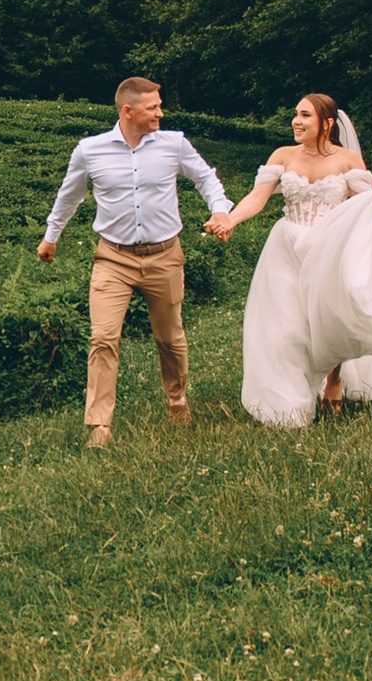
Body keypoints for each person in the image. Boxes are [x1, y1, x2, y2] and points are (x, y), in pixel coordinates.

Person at [205, 92, 372, 428]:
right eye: (296, 114)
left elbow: (363, 210)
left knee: (332, 318)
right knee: (287, 327)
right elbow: (257, 198)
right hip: (287, 247)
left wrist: (368, 218)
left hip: (329, 250)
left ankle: (334, 378)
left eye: (305, 115)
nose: (296, 121)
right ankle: (292, 405)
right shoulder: (283, 155)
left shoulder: (348, 161)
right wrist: (230, 220)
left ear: (327, 123)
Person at [38, 77, 231, 447]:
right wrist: (51, 237)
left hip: (165, 256)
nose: (160, 112)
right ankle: (100, 424)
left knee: (169, 337)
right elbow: (69, 196)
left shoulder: (174, 144)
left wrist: (220, 210)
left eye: (159, 106)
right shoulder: (90, 150)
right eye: (153, 107)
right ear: (128, 111)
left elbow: (206, 179)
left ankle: (177, 398)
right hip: (112, 259)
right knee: (103, 337)